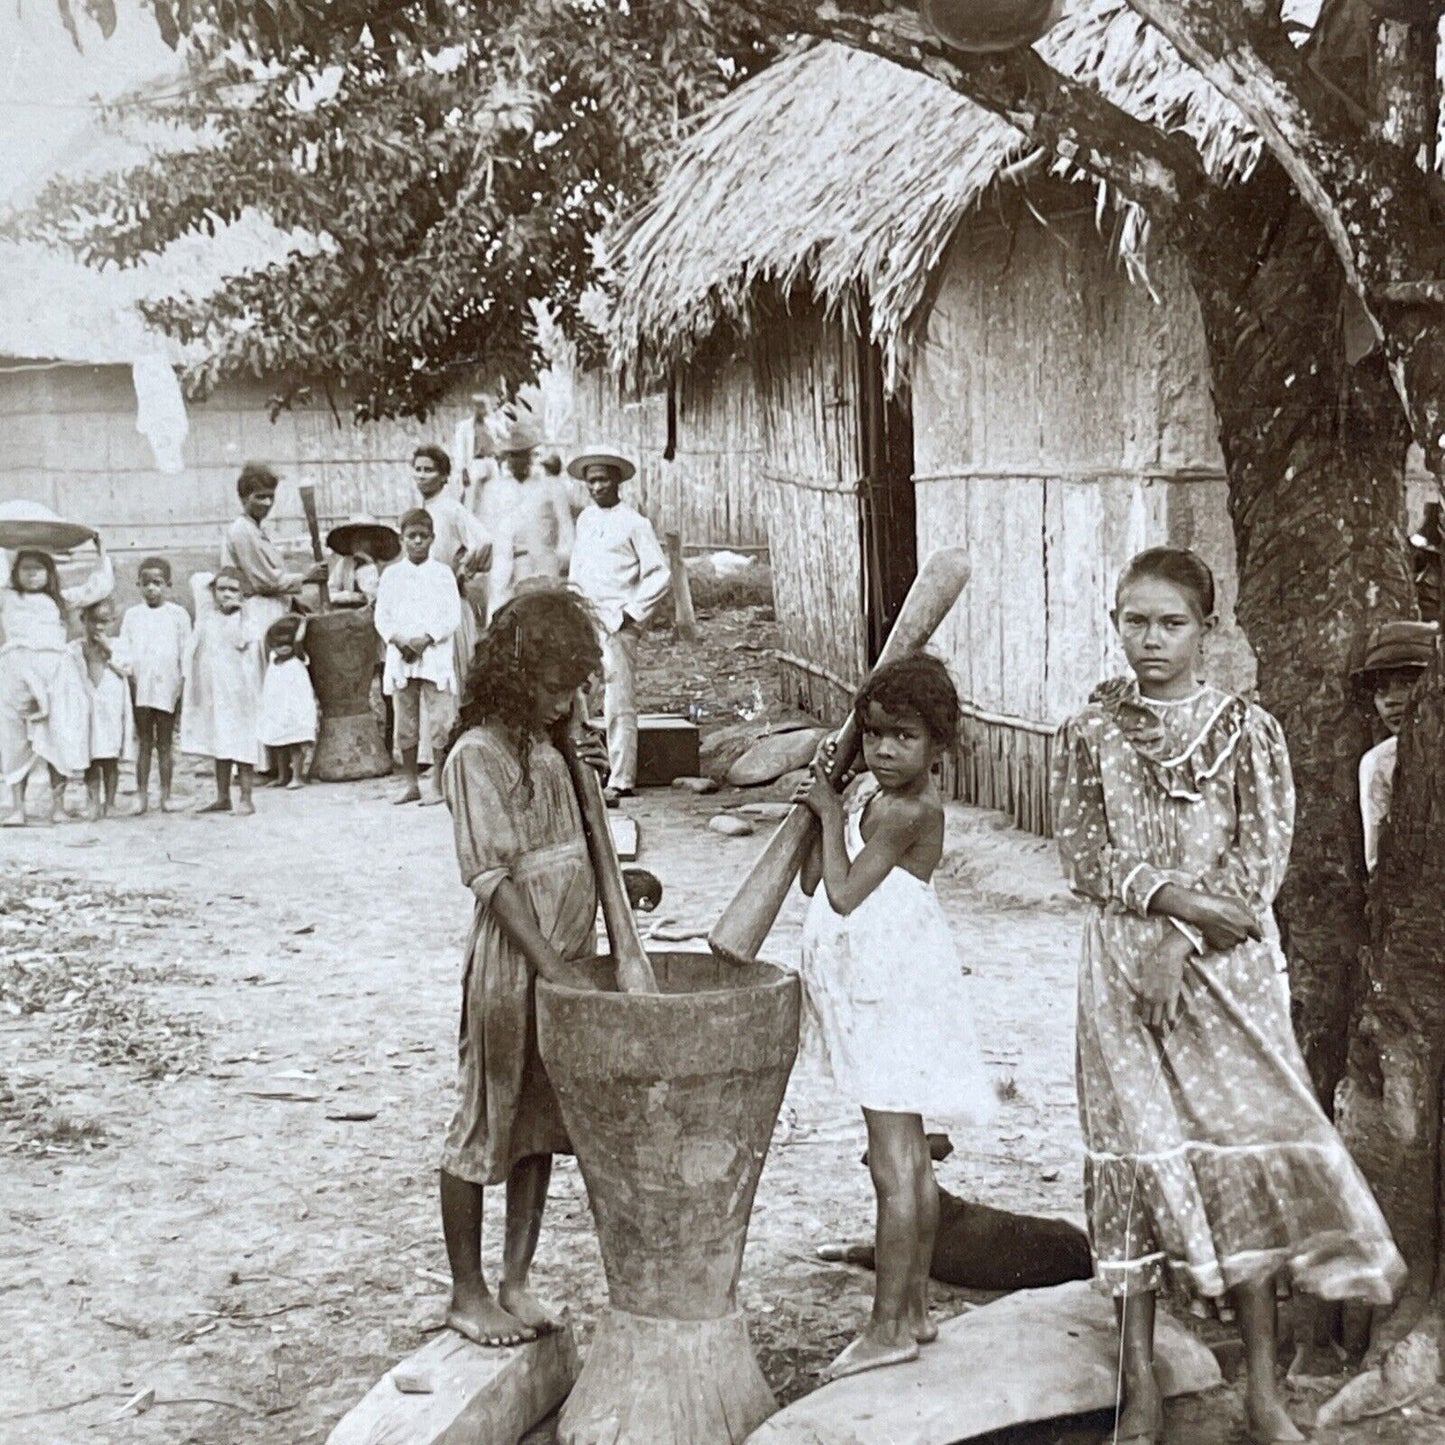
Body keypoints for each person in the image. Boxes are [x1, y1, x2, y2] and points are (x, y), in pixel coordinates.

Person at [1051, 546, 1405, 1445]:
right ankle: (1135, 1394)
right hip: (1124, 980)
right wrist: (1165, 904)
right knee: (1133, 1159)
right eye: (1135, 620)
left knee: (1238, 1158)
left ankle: (1260, 1391)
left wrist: (1183, 936)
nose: (1151, 640)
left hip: (1226, 975)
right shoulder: (1089, 733)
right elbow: (1083, 855)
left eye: (1171, 622)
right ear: (1113, 624)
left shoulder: (1248, 732)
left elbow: (1259, 860)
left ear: (1208, 630)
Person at [793, 654, 996, 1382]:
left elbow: (844, 894)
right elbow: (814, 879)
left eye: (902, 737)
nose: (883, 750)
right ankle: (911, 1311)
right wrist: (825, 809)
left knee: (896, 1164)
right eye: (874, 735)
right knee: (903, 1157)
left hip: (895, 992)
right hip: (870, 988)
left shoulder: (910, 811)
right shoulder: (869, 799)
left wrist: (822, 808)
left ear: (937, 744)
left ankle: (888, 1326)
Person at [438, 586, 606, 1346]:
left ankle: (516, 1279)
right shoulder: (476, 754)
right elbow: (492, 878)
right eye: (552, 686)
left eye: (573, 686)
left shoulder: (549, 747)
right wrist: (547, 966)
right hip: (515, 968)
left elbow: (570, 847)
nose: (564, 699)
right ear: (514, 674)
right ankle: (468, 1292)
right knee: (484, 1125)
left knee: (538, 1128)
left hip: (565, 956)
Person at [566, 450, 670, 804]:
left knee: (618, 700)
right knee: (578, 694)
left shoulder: (634, 523)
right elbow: (578, 568)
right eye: (591, 481)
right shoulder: (585, 520)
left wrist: (632, 612)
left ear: (618, 482)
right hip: (586, 618)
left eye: (603, 480)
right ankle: (586, 769)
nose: (597, 487)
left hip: (616, 622)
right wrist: (573, 606)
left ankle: (622, 777)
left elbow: (659, 573)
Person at [1, 538, 113, 827]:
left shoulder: (60, 599)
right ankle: (16, 807)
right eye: (25, 568)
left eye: (39, 569)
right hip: (17, 671)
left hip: (55, 673)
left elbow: (99, 586)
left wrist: (101, 551)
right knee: (14, 741)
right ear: (15, 572)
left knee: (57, 736)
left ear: (50, 573)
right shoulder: (8, 597)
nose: (32, 574)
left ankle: (58, 806)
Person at [374, 508, 462, 806]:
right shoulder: (391, 575)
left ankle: (437, 783)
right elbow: (381, 616)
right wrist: (398, 639)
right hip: (402, 656)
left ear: (432, 538)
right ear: (402, 539)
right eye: (411, 536)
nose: (417, 542)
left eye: (423, 537)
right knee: (405, 723)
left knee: (440, 721)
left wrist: (426, 638)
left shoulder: (442, 573)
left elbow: (452, 615)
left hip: (433, 654)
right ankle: (411, 783)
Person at [412, 445, 492, 722]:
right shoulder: (420, 511)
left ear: (444, 476)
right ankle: (431, 752)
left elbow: (483, 541)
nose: (422, 476)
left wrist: (462, 572)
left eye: (429, 470)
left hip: (450, 605)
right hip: (424, 605)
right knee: (427, 677)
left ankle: (456, 738)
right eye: (418, 470)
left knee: (452, 676)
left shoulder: (451, 509)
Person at [1354, 620, 1438, 874]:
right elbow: (1377, 863)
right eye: (1381, 689)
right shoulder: (1380, 764)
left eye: (1407, 683)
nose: (1391, 700)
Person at [181, 567, 265, 816]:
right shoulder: (207, 616)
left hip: (239, 692)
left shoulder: (246, 618)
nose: (227, 594)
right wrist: (214, 587)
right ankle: (222, 797)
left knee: (242, 742)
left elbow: (244, 640)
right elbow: (198, 578)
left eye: (233, 589)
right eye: (221, 589)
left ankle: (246, 798)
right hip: (215, 692)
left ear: (243, 594)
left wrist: (241, 608)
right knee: (220, 742)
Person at [219, 462, 327, 639]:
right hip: (255, 615)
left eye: (271, 497)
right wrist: (306, 577)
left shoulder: (257, 529)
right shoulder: (242, 530)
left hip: (271, 610)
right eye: (260, 497)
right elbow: (264, 582)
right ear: (244, 498)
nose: (267, 503)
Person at [118, 557, 191, 814]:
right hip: (141, 687)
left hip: (169, 688)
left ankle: (167, 795)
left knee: (166, 743)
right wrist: (131, 679)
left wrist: (181, 687)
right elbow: (124, 651)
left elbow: (186, 654)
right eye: (146, 583)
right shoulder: (132, 616)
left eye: (157, 583)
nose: (151, 588)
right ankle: (140, 795)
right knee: (145, 742)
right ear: (138, 585)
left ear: (168, 584)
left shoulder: (178, 615)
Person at [486, 419, 574, 615]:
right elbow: (488, 529)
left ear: (530, 457)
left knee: (540, 620)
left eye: (521, 456)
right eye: (512, 456)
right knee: (504, 621)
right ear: (506, 458)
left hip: (540, 565)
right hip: (506, 566)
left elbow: (566, 527)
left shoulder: (550, 485)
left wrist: (560, 561)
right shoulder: (496, 489)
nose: (516, 461)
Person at [68, 598, 135, 820]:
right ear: (83, 620)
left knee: (110, 759)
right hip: (87, 711)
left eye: (104, 622)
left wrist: (110, 649)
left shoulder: (119, 645)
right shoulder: (75, 649)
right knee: (91, 758)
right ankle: (93, 802)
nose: (98, 627)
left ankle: (111, 802)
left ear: (113, 622)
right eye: (93, 621)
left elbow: (127, 669)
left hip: (111, 710)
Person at [258, 615, 318, 789]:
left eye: (287, 644)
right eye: (278, 645)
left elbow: (299, 640)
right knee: (279, 745)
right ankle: (283, 776)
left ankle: (297, 777)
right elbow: (266, 638)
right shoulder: (271, 658)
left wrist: (302, 622)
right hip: (277, 708)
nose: (283, 649)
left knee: (295, 743)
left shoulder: (299, 657)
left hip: (295, 709)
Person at [325, 515, 398, 609]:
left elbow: (384, 599)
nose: (357, 542)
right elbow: (330, 592)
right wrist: (351, 596)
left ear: (374, 541)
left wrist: (368, 567)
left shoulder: (386, 565)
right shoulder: (345, 563)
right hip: (348, 616)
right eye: (353, 538)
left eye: (363, 538)